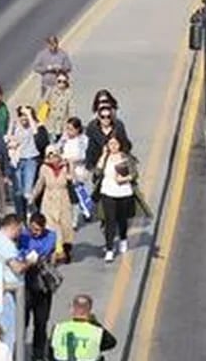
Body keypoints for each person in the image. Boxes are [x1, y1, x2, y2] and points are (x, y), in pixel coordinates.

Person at [0, 214, 37, 349]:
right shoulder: (5, 244)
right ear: (14, 226)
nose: (20, 233)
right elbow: (17, 268)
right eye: (20, 229)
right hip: (8, 292)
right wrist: (30, 261)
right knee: (10, 331)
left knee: (3, 329)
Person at [20, 213, 61, 359]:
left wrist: (31, 256)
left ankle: (38, 354)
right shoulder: (23, 236)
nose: (34, 233)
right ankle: (19, 351)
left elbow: (46, 250)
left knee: (41, 322)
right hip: (26, 284)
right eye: (32, 229)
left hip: (42, 284)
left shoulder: (51, 236)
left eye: (38, 230)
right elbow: (20, 252)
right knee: (22, 322)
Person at [94, 134, 137, 263]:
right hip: (108, 192)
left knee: (122, 219)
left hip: (123, 192)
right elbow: (97, 172)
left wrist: (124, 179)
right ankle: (109, 249)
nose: (113, 147)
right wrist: (103, 155)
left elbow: (134, 174)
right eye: (110, 144)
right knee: (110, 221)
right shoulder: (105, 158)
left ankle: (123, 238)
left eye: (115, 144)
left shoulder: (126, 158)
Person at [32, 145, 75, 260]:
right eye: (50, 156)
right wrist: (33, 197)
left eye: (55, 155)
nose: (53, 158)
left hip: (63, 197)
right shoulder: (44, 168)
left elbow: (73, 179)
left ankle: (66, 250)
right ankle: (55, 251)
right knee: (51, 226)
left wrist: (70, 167)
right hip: (49, 199)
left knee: (65, 226)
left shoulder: (66, 166)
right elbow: (40, 183)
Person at [49, 294, 119, 361]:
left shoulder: (58, 328)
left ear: (72, 309)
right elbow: (112, 343)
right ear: (90, 311)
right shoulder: (97, 331)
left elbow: (49, 350)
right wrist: (94, 322)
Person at [7, 105, 42, 216]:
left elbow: (36, 132)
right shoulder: (14, 125)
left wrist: (29, 114)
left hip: (30, 159)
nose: (24, 118)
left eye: (26, 116)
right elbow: (7, 137)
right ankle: (21, 214)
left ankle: (30, 210)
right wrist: (11, 142)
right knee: (18, 191)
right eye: (22, 116)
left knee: (27, 190)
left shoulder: (33, 125)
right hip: (17, 160)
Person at [83, 99, 129, 171]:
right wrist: (90, 166)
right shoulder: (92, 128)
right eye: (103, 117)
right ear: (98, 117)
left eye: (108, 116)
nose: (106, 119)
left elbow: (125, 144)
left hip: (116, 163)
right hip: (98, 163)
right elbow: (89, 148)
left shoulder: (118, 126)